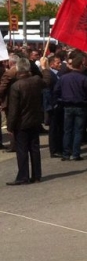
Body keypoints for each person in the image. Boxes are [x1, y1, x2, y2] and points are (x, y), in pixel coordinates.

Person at [5, 56, 45, 185]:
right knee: (34, 148)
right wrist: (44, 68)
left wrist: (10, 126)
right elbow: (48, 81)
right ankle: (37, 175)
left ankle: (23, 176)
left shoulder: (16, 86)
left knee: (22, 150)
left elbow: (14, 110)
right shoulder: (36, 80)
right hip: (34, 120)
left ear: (18, 69)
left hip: (21, 123)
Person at [57, 52, 87, 161]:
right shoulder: (85, 79)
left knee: (67, 130)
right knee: (78, 130)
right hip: (80, 106)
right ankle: (76, 153)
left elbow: (56, 91)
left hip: (67, 106)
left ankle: (66, 154)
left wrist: (60, 100)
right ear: (80, 66)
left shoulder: (63, 78)